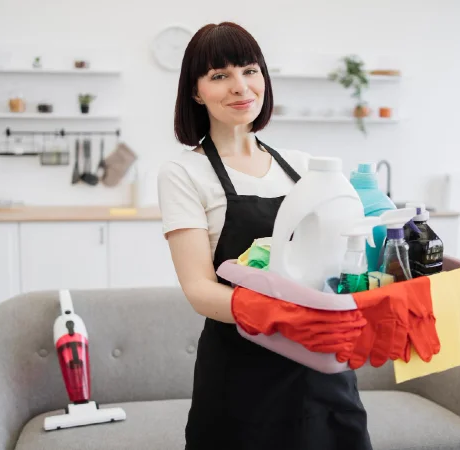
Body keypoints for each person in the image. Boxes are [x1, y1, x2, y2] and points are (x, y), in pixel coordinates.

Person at [157, 22, 372, 450]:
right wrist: (281, 316)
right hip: (240, 371)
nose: (241, 87)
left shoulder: (305, 166)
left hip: (321, 365)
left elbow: (344, 256)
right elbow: (199, 289)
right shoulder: (184, 173)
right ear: (196, 92)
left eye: (250, 70)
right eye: (220, 76)